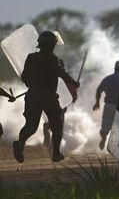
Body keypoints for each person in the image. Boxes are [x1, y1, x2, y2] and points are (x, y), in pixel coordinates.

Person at [13, 31, 79, 163]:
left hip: (32, 95)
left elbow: (25, 78)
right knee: (57, 124)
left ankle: (20, 143)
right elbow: (62, 73)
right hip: (49, 97)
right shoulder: (54, 60)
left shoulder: (31, 58)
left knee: (31, 126)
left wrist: (34, 85)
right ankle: (56, 153)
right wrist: (74, 82)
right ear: (51, 45)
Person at [93, 61, 119, 150]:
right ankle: (117, 146)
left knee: (105, 125)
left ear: (115, 69)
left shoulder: (108, 78)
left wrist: (97, 102)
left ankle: (104, 138)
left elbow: (99, 89)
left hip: (109, 105)